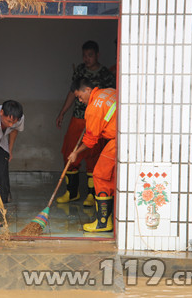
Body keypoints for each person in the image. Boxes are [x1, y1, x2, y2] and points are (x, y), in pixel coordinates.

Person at [56, 40, 115, 207]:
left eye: (90, 55)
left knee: (94, 155)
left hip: (98, 121)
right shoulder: (80, 71)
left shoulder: (105, 75)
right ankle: (72, 192)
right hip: (78, 118)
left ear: (97, 55)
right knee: (70, 151)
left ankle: (92, 194)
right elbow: (72, 93)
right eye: (84, 55)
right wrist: (62, 112)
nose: (86, 59)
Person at [67, 77, 116, 233]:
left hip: (117, 141)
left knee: (100, 175)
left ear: (87, 90)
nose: (80, 101)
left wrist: (76, 153)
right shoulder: (110, 91)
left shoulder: (93, 108)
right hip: (125, 137)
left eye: (80, 97)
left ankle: (103, 222)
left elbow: (90, 141)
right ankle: (110, 217)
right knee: (112, 177)